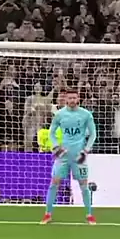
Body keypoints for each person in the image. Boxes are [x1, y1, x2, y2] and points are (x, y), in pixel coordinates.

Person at [41, 89, 97, 225]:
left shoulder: (86, 114)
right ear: (65, 99)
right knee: (54, 183)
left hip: (79, 155)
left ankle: (89, 215)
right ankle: (48, 214)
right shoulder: (59, 115)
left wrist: (86, 150)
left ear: (78, 99)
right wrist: (56, 147)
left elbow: (93, 134)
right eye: (70, 98)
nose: (72, 100)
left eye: (74, 98)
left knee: (84, 185)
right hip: (63, 155)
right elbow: (51, 133)